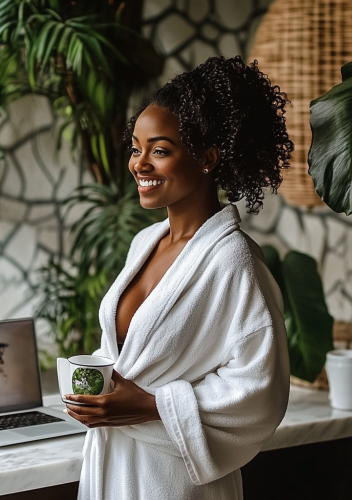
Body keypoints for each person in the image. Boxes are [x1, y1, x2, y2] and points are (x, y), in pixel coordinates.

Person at [65, 55, 293, 500]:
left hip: (174, 479)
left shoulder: (235, 261)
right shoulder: (145, 243)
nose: (139, 164)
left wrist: (152, 406)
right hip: (114, 463)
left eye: (160, 150)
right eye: (136, 148)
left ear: (208, 157)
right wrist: (98, 387)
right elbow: (134, 351)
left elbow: (260, 390)